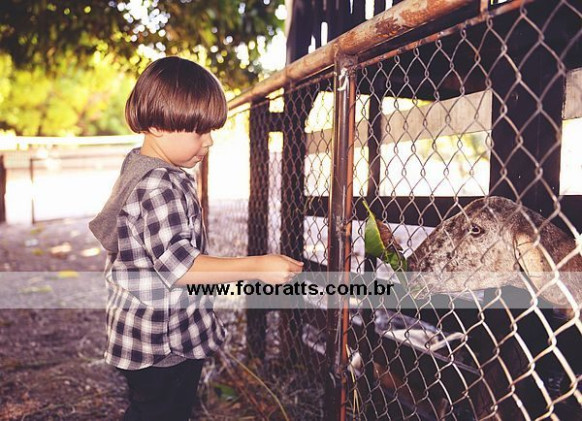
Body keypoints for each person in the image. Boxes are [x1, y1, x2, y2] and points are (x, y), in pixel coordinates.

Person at [89, 56, 303, 421]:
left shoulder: (139, 165)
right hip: (163, 345)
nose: (209, 142)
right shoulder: (159, 185)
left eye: (210, 131)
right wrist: (257, 266)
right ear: (156, 126)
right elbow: (182, 268)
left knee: (150, 411)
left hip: (143, 336)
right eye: (198, 132)